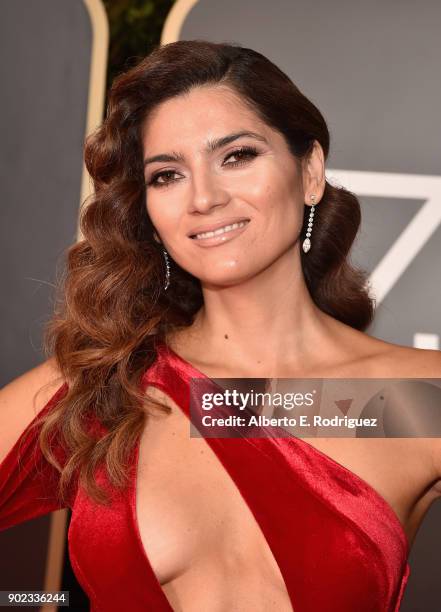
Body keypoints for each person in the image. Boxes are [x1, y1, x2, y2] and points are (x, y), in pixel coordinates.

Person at [1, 39, 440, 612]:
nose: (204, 197)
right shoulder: (108, 385)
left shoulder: (412, 399)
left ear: (310, 172)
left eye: (237, 156)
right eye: (167, 175)